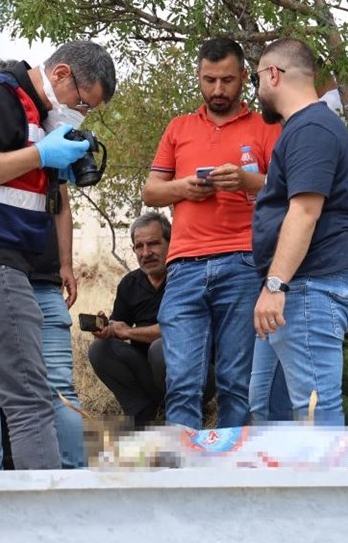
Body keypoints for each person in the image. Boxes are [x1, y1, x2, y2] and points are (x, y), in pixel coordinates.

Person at [0, 41, 116, 470]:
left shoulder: (28, 112)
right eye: (82, 102)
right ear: (61, 74)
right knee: (31, 401)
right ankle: (47, 525)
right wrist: (40, 155)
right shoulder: (0, 98)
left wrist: (46, 167)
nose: (80, 114)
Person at [142, 37, 281, 429]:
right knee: (182, 381)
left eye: (227, 81)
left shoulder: (265, 127)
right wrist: (185, 187)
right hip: (184, 265)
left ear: (243, 79)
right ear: (199, 78)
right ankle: (183, 476)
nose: (217, 90)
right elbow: (151, 190)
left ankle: (232, 476)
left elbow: (287, 188)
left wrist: (245, 181)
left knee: (237, 382)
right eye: (209, 80)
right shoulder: (179, 127)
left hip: (243, 261)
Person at [248, 37, 348, 426]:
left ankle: (325, 488)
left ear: (273, 75)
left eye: (256, 79)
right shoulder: (301, 129)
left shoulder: (311, 128)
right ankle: (282, 488)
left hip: (309, 288)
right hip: (296, 290)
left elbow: (305, 212)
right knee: (265, 407)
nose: (257, 90)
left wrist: (275, 286)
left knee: (316, 408)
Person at [88, 212, 169, 426]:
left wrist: (129, 332)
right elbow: (118, 327)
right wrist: (108, 329)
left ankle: (181, 409)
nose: (146, 253)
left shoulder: (185, 277)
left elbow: (178, 332)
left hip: (190, 373)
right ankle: (140, 411)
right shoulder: (130, 283)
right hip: (148, 373)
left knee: (160, 348)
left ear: (171, 242)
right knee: (100, 348)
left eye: (153, 244)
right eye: (138, 246)